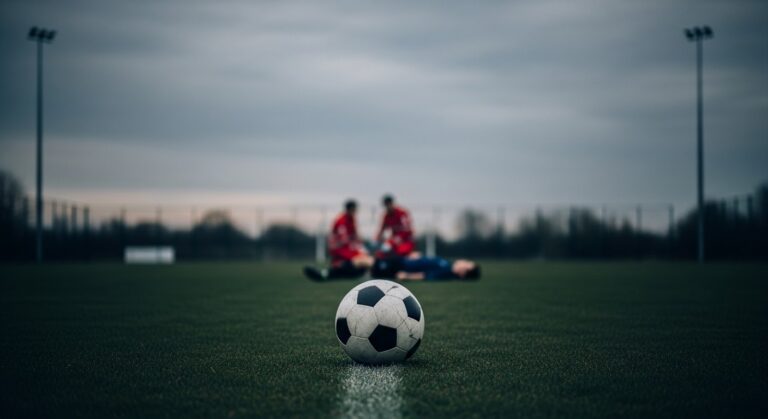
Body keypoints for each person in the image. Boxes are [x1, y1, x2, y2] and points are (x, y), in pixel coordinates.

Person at [303, 199, 373, 281]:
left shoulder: (352, 219)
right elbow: (343, 239)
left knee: (362, 257)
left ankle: (326, 273)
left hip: (346, 248)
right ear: (349, 209)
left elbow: (355, 236)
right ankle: (325, 273)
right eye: (354, 209)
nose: (355, 211)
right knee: (361, 259)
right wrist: (355, 243)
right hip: (341, 249)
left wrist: (358, 243)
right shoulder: (341, 220)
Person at [371, 255, 481, 281]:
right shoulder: (448, 264)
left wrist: (407, 276)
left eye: (466, 264)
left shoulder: (446, 272)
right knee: (374, 260)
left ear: (463, 272)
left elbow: (426, 275)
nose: (464, 261)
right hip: (404, 260)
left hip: (401, 267)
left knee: (372, 262)